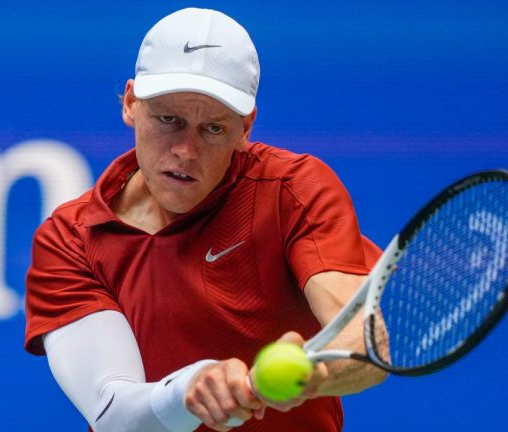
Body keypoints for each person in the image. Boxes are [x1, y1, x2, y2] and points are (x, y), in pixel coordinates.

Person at [25, 7, 387, 432]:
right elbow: (114, 414)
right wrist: (190, 389)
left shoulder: (294, 191)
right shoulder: (69, 240)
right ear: (130, 103)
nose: (186, 150)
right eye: (168, 120)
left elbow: (365, 341)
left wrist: (310, 375)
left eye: (213, 129)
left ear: (245, 128)